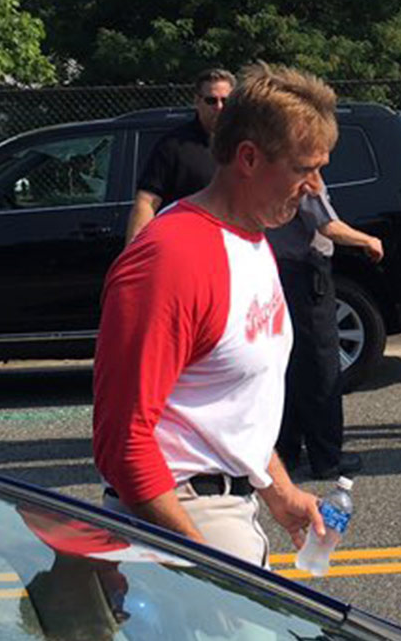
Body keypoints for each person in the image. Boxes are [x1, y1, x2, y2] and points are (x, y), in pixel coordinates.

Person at [91, 64, 329, 567]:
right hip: (184, 520)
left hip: (223, 511)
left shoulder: (253, 237)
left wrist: (278, 492)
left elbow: (227, 401)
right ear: (249, 158)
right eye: (304, 167)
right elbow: (123, 441)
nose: (315, 185)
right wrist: (205, 567)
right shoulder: (171, 258)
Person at [268, 183, 384, 481]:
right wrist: (367, 240)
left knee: (290, 365)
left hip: (280, 271)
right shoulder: (304, 180)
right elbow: (328, 226)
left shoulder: (272, 169)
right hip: (306, 275)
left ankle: (286, 451)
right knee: (322, 368)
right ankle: (327, 458)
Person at [125, 68, 235, 243]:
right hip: (186, 244)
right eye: (211, 100)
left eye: (225, 100)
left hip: (233, 245)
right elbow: (147, 201)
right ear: (197, 101)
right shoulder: (173, 145)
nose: (219, 107)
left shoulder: (245, 145)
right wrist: (135, 251)